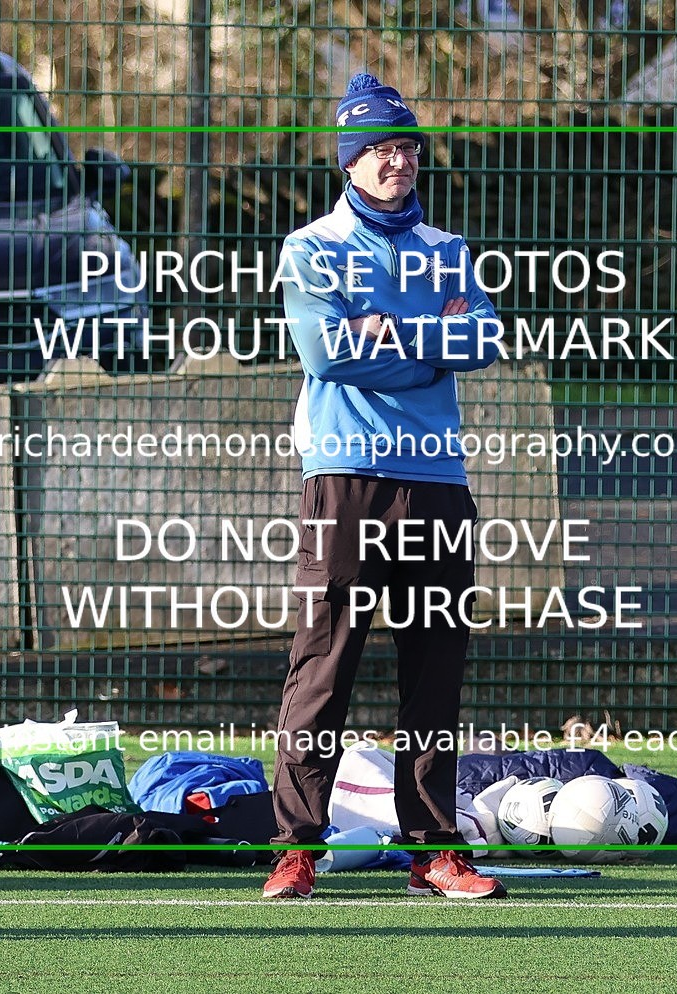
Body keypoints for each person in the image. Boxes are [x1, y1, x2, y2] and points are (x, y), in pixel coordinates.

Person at [262, 73, 505, 900]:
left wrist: (386, 328)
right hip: (345, 477)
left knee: (434, 670)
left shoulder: (448, 249)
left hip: (438, 479)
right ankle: (295, 848)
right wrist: (428, 336)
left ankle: (433, 850)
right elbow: (327, 354)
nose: (395, 161)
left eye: (404, 147)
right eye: (377, 150)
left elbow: (482, 340)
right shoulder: (309, 248)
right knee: (323, 666)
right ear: (349, 163)